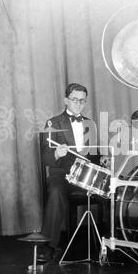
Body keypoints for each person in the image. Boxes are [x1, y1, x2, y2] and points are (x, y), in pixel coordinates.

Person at [38, 83, 110, 262]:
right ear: (66, 100)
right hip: (62, 176)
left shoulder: (89, 124)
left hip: (85, 177)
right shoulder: (53, 123)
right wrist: (56, 153)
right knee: (55, 193)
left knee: (111, 189)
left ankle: (111, 241)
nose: (78, 104)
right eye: (75, 100)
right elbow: (45, 156)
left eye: (82, 101)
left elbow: (94, 153)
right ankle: (48, 246)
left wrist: (102, 158)